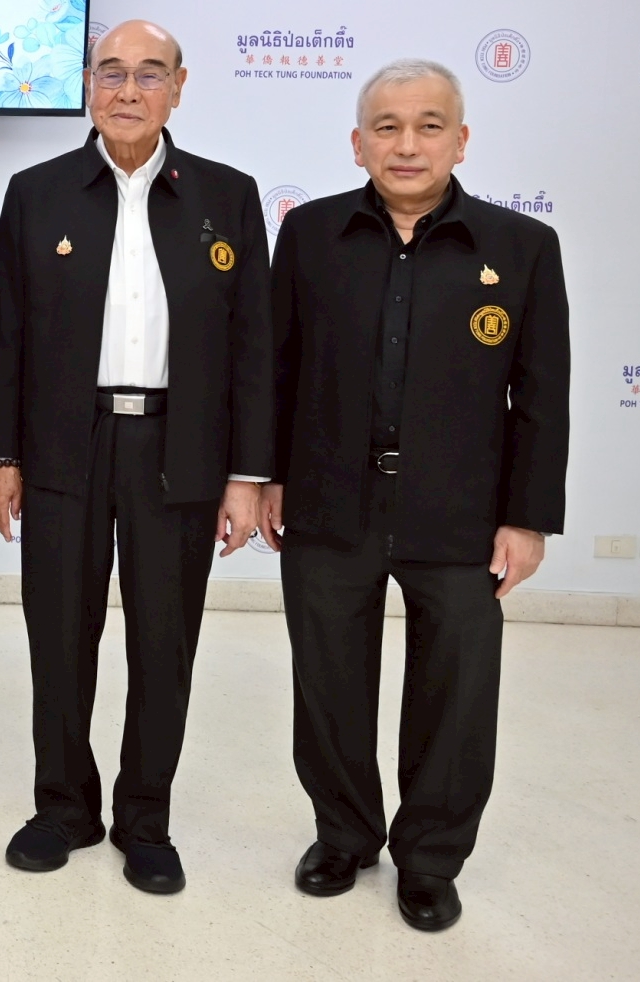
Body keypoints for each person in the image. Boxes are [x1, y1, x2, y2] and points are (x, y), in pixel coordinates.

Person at [264, 59, 567, 932]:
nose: (407, 144)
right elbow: (277, 367)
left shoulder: (520, 246)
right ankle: (343, 836)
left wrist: (527, 518)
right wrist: (269, 477)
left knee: (456, 693)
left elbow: (541, 394)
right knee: (328, 683)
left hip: (461, 512)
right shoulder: (311, 234)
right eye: (386, 127)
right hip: (328, 500)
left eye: (429, 126)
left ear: (460, 140)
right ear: (357, 142)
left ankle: (431, 859)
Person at [0, 19, 270, 895]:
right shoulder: (36, 192)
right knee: (59, 634)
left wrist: (247, 475)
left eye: (149, 74)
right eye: (111, 72)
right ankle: (63, 807)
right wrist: (2, 455)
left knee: (163, 639)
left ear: (179, 87)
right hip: (64, 445)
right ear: (87, 85)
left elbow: (253, 345)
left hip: (179, 448)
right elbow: (6, 334)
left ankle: (146, 817)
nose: (129, 90)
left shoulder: (227, 195)